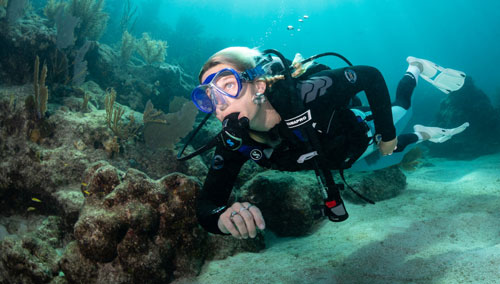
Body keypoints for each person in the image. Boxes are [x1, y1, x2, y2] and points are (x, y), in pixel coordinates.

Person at [189, 47, 469, 240]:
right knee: (393, 159)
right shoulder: (235, 142)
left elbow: (370, 75)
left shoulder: (306, 94)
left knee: (402, 111)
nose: (219, 103)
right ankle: (423, 134)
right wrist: (221, 219)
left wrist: (387, 133)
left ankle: (415, 68)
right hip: (341, 163)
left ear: (258, 85)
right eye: (209, 96)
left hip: (364, 133)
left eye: (227, 85)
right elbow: (208, 206)